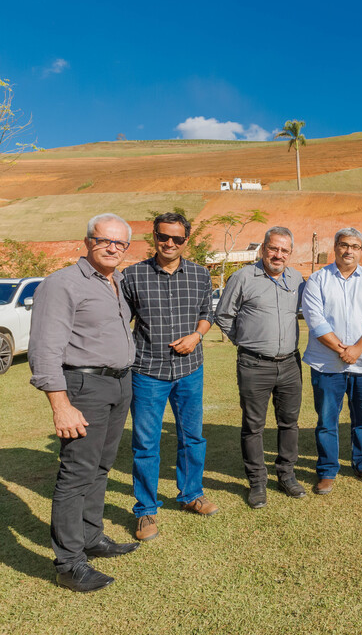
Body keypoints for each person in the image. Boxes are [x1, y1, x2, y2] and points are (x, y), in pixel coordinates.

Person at [28, 213, 140, 592]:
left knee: (102, 466)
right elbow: (44, 349)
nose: (112, 247)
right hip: (83, 386)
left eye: (120, 243)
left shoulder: (119, 282)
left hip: (119, 385)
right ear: (88, 241)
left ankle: (92, 538)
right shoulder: (62, 284)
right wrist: (61, 405)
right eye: (104, 240)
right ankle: (69, 563)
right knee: (76, 473)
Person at [122, 212, 217, 543]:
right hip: (148, 371)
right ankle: (146, 509)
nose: (170, 244)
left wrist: (197, 335)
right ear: (154, 237)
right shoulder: (132, 277)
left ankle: (191, 494)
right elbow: (121, 322)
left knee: (193, 437)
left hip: (190, 371)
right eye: (164, 237)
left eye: (177, 239)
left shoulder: (201, 275)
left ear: (186, 241)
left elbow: (208, 313)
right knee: (146, 444)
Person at [215, 227, 306, 508]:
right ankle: (257, 482)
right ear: (263, 248)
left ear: (290, 253)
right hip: (254, 364)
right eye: (273, 248)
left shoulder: (296, 278)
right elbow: (223, 315)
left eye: (284, 250)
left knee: (289, 423)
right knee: (253, 426)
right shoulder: (243, 277)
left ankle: (287, 475)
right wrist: (245, 341)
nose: (278, 255)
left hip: (290, 364)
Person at [302, 227, 362, 492]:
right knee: (327, 421)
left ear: (361, 250)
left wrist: (357, 349)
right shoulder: (317, 280)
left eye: (354, 246)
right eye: (343, 245)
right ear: (335, 247)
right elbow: (315, 321)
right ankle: (328, 470)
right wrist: (343, 349)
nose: (348, 250)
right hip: (327, 365)